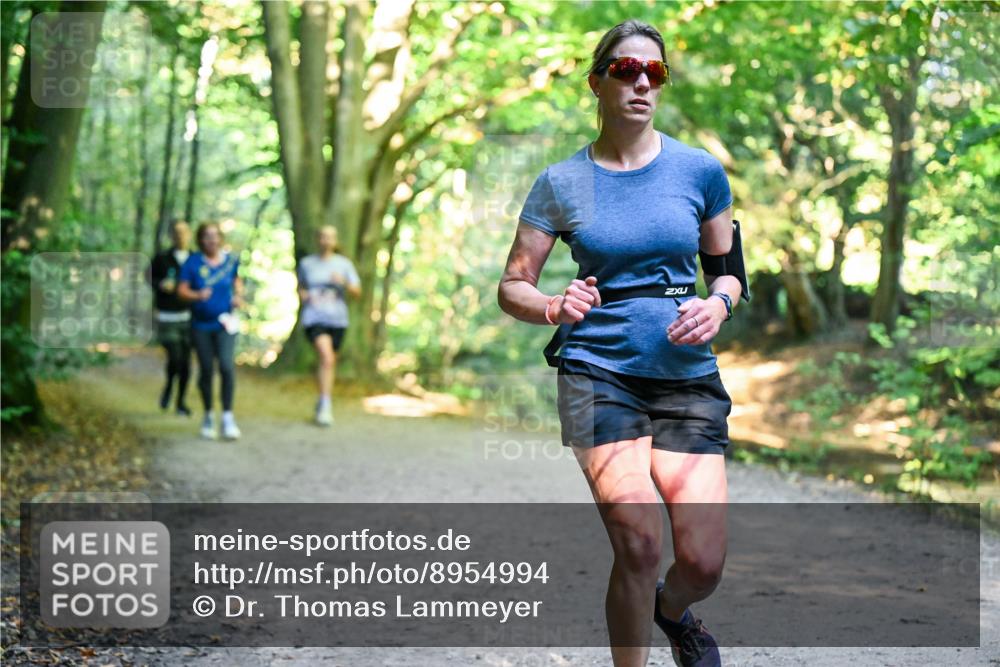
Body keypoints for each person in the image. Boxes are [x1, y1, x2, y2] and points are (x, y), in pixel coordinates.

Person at [498, 19, 748, 667]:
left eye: (654, 72)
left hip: (686, 374)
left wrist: (718, 304)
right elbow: (512, 285)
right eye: (626, 70)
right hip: (597, 371)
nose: (642, 82)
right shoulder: (562, 182)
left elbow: (728, 271)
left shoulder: (700, 171)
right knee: (638, 542)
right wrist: (553, 305)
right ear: (597, 82)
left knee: (703, 561)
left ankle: (674, 611)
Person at [177, 222, 244, 440]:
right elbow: (181, 290)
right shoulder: (192, 263)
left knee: (226, 366)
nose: (212, 240)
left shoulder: (230, 261)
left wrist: (238, 296)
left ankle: (227, 416)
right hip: (200, 326)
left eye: (215, 236)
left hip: (226, 324)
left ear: (221, 238)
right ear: (200, 240)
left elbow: (237, 281)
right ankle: (208, 414)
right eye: (207, 236)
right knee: (206, 369)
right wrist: (197, 295)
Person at [296, 225, 361, 425]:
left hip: (338, 319)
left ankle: (322, 398)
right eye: (323, 237)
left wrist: (343, 282)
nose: (326, 240)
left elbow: (357, 292)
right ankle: (326, 405)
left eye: (330, 237)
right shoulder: (307, 264)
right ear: (317, 239)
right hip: (314, 318)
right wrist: (303, 295)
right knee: (327, 357)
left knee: (328, 362)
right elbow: (300, 287)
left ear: (336, 240)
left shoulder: (344, 264)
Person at [150, 220, 193, 416]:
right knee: (175, 358)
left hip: (189, 318)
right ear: (171, 235)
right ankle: (168, 387)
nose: (180, 236)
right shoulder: (161, 258)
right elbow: (149, 278)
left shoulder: (195, 259)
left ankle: (180, 402)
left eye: (183, 232)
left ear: (189, 234)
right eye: (176, 232)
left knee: (186, 363)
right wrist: (160, 284)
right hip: (167, 318)